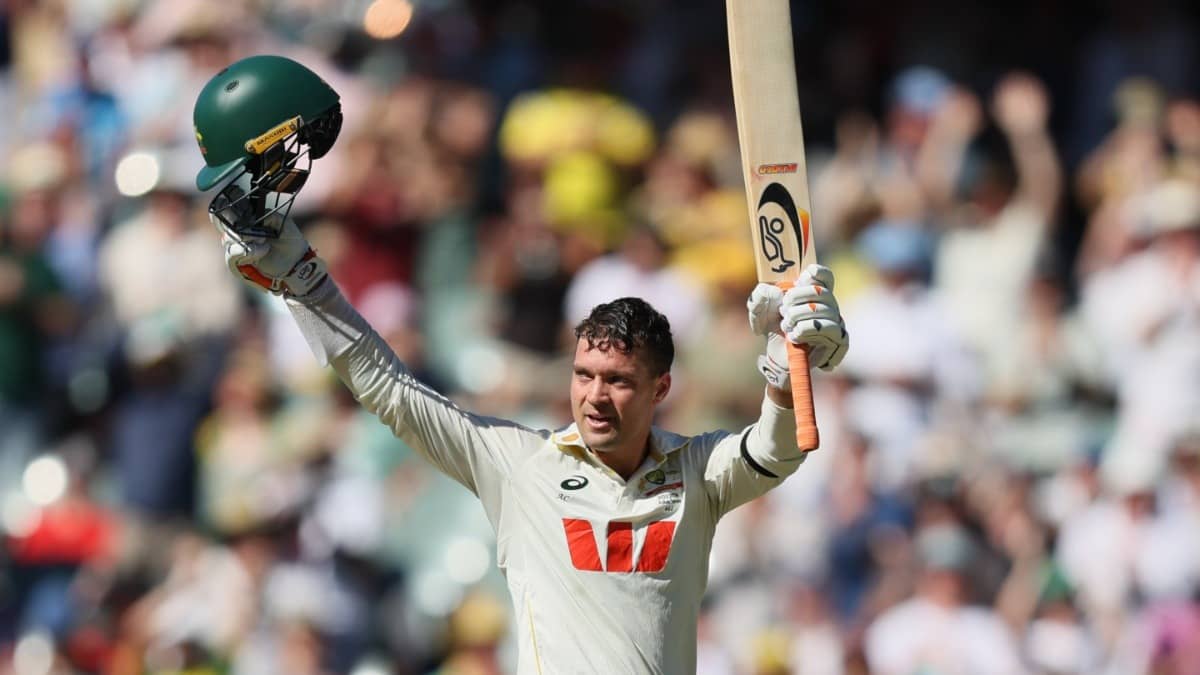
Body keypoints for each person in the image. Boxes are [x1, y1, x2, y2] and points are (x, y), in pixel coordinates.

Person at [191, 54, 849, 674]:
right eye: (584, 376)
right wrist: (305, 283)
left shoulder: (696, 473)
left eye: (619, 381)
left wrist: (790, 356)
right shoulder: (520, 466)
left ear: (661, 389)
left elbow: (780, 447)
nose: (595, 397)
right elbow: (386, 386)